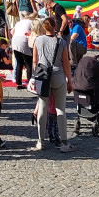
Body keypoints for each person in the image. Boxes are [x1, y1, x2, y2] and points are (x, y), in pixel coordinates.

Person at [32, 17, 73, 152]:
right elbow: (66, 63)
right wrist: (70, 81)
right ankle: (64, 142)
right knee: (60, 108)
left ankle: (40, 141)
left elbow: (34, 61)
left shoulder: (38, 40)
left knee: (43, 108)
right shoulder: (61, 42)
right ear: (55, 26)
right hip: (58, 75)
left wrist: (36, 74)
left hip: (43, 74)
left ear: (44, 27)